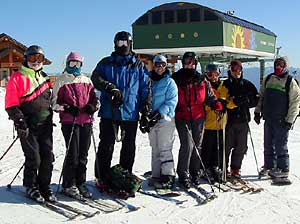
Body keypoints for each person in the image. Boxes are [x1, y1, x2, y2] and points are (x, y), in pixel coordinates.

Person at [91, 31, 149, 193]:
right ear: (115, 44)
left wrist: (145, 108)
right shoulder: (106, 62)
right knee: (106, 145)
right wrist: (110, 88)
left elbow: (145, 88)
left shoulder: (138, 65)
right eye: (119, 43)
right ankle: (101, 176)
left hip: (130, 112)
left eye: (126, 43)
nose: (122, 47)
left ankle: (124, 175)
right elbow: (96, 78)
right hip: (110, 111)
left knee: (129, 146)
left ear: (131, 44)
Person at [5, 45, 56, 203]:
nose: (36, 61)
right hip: (28, 126)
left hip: (45, 124)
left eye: (39, 58)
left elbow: (51, 99)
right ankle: (31, 186)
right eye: (32, 58)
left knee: (48, 156)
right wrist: (20, 120)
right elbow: (10, 104)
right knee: (34, 157)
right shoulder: (18, 77)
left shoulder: (45, 77)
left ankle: (44, 185)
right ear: (26, 59)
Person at [172, 52, 224, 189]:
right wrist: (175, 108)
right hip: (183, 116)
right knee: (187, 145)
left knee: (197, 145)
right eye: (185, 61)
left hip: (198, 117)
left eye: (191, 62)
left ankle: (195, 173)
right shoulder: (176, 78)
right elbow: (171, 96)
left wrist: (215, 104)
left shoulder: (201, 79)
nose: (188, 64)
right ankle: (183, 174)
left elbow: (209, 96)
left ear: (195, 63)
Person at [52, 52, 98, 198]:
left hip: (86, 121)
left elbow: (95, 99)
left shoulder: (86, 80)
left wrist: (93, 106)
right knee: (73, 153)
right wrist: (67, 108)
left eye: (78, 64)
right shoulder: (61, 81)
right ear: (67, 63)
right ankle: (69, 183)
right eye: (72, 63)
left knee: (83, 154)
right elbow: (54, 103)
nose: (75, 66)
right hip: (70, 121)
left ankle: (80, 182)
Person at [254, 57, 300, 178]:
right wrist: (257, 112)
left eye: (281, 65)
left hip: (282, 120)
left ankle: (283, 168)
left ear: (286, 66)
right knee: (268, 144)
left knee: (280, 145)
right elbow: (261, 96)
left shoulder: (290, 82)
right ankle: (269, 166)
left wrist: (290, 121)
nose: (278, 67)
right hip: (268, 118)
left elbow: (295, 103)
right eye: (277, 64)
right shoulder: (269, 79)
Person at [139, 55, 178, 189]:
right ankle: (156, 174)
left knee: (164, 148)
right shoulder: (149, 80)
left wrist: (159, 113)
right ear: (153, 66)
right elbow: (144, 97)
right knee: (155, 147)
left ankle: (168, 176)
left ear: (166, 66)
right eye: (157, 65)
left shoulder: (169, 82)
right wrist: (145, 114)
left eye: (162, 65)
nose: (160, 68)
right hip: (152, 119)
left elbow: (172, 101)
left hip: (165, 119)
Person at [223, 60, 259, 178]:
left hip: (243, 120)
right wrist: (234, 100)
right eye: (234, 69)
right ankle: (224, 168)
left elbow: (256, 99)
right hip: (229, 121)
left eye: (239, 69)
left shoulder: (247, 84)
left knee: (241, 147)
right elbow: (222, 99)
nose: (237, 72)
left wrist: (247, 101)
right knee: (227, 146)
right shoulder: (225, 84)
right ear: (230, 70)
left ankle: (235, 168)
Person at [201, 64, 231, 183]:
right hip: (208, 124)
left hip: (221, 124)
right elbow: (202, 103)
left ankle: (217, 168)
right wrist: (213, 106)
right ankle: (205, 168)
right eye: (210, 75)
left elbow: (229, 101)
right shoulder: (204, 86)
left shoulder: (223, 86)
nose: (214, 77)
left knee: (219, 149)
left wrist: (226, 104)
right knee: (208, 148)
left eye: (216, 74)